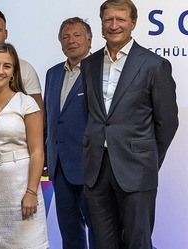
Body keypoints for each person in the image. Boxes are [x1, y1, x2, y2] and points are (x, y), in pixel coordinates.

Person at [80, 1, 179, 248]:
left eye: (120, 19)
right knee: (102, 242)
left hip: (137, 170)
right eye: (108, 20)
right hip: (96, 171)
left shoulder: (154, 65)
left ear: (133, 23)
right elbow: (91, 115)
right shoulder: (88, 64)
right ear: (101, 25)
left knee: (137, 241)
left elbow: (167, 122)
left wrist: (148, 158)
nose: (114, 25)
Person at [0, 43, 48, 248]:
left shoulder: (26, 103)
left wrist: (31, 192)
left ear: (14, 72)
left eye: (7, 66)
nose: (0, 71)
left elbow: (37, 152)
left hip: (21, 186)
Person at [44, 17, 95, 249]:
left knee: (99, 231)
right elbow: (51, 118)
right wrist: (47, 155)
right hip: (59, 168)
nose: (70, 41)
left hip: (91, 168)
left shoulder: (100, 71)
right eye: (65, 37)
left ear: (89, 39)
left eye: (76, 35)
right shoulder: (52, 74)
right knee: (69, 232)